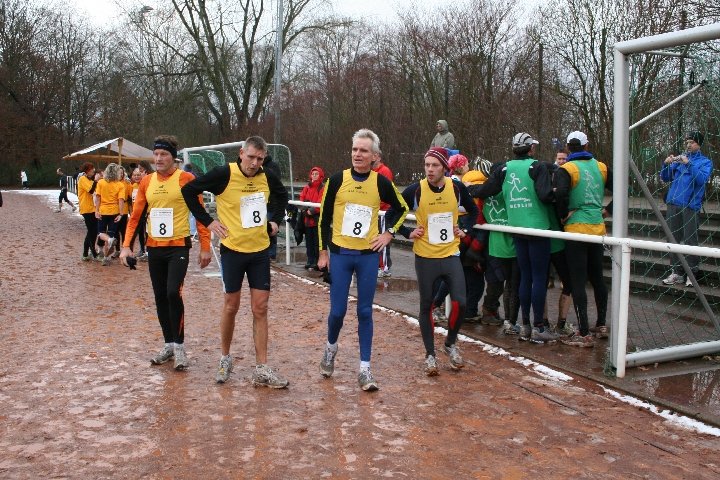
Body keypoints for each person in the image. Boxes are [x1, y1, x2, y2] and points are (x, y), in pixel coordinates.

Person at [182, 136, 289, 388]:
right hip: (233, 250)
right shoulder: (223, 174)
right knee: (231, 305)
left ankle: (261, 368)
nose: (254, 163)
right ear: (241, 153)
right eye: (251, 157)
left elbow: (282, 196)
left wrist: (274, 220)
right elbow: (189, 190)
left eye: (260, 159)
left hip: (260, 250)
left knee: (260, 308)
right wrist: (208, 222)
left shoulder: (267, 176)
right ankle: (225, 357)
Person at [317, 128, 408, 391]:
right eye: (355, 149)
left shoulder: (380, 182)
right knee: (337, 312)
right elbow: (323, 218)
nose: (358, 154)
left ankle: (365, 369)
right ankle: (330, 348)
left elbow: (401, 207)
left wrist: (388, 234)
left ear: (374, 156)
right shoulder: (336, 180)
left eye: (364, 151)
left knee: (365, 311)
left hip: (368, 256)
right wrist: (324, 252)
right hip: (341, 255)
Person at [120, 135, 212, 370]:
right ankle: (168, 344)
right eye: (156, 154)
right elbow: (136, 217)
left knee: (173, 293)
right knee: (160, 296)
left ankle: (180, 347)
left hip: (178, 246)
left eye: (164, 155)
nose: (159, 159)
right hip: (154, 248)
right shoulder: (146, 182)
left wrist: (204, 247)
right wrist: (126, 246)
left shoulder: (186, 179)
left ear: (174, 158)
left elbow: (201, 216)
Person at [467, 132, 558, 343]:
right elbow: (545, 195)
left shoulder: (505, 169)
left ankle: (525, 326)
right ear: (531, 149)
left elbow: (488, 189)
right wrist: (558, 195)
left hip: (516, 230)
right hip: (537, 229)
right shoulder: (537, 167)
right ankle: (539, 327)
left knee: (525, 278)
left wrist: (468, 189)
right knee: (538, 279)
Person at [397, 147, 478, 375]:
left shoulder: (457, 187)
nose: (430, 170)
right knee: (427, 305)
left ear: (444, 167)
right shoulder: (416, 190)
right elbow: (394, 213)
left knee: (461, 302)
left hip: (451, 254)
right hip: (425, 257)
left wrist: (464, 229)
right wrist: (406, 232)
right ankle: (430, 354)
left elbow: (473, 213)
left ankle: (450, 344)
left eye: (434, 165)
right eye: (427, 165)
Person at [554, 131, 612, 347]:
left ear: (568, 148)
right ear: (587, 146)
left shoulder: (566, 169)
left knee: (578, 281)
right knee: (597, 278)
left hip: (576, 229)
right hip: (597, 230)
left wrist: (562, 216)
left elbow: (560, 195)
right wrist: (607, 211)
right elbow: (622, 188)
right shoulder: (602, 167)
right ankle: (601, 324)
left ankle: (584, 331)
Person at [660, 131, 712, 287]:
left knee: (690, 240)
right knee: (673, 239)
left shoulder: (705, 162)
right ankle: (676, 273)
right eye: (687, 142)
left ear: (699, 144)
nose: (689, 145)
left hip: (690, 205)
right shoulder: (679, 159)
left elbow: (702, 179)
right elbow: (665, 177)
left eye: (692, 142)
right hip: (673, 204)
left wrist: (688, 163)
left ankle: (692, 272)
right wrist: (666, 164)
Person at [94, 163, 126, 266]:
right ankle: (107, 257)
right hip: (114, 212)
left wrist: (96, 210)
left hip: (103, 211)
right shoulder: (120, 185)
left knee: (100, 233)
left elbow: (98, 197)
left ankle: (108, 245)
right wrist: (121, 214)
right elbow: (121, 200)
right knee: (111, 234)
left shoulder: (101, 182)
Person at [299, 166, 325, 270]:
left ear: (320, 176)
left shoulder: (322, 188)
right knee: (308, 241)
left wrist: (312, 210)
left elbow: (321, 201)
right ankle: (310, 260)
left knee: (316, 242)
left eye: (316, 174)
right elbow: (302, 198)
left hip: (316, 219)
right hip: (307, 219)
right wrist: (305, 210)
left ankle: (316, 261)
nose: (314, 176)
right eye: (313, 174)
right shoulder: (306, 187)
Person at [373, 152, 395, 277]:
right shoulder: (372, 171)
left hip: (384, 211)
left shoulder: (384, 171)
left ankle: (385, 267)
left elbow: (386, 192)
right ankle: (378, 265)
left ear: (379, 157)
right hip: (376, 210)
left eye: (374, 155)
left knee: (383, 240)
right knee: (376, 239)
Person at [77, 163, 100, 261]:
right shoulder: (83, 179)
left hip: (93, 209)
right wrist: (96, 180)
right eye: (91, 169)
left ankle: (85, 253)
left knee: (92, 232)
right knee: (92, 232)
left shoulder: (89, 180)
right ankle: (93, 253)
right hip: (86, 209)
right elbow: (91, 190)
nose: (93, 171)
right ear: (86, 170)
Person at [262, 154, 282, 261]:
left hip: (271, 204)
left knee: (271, 230)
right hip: (262, 204)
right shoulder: (257, 166)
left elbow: (276, 185)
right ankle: (264, 251)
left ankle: (271, 253)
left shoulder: (273, 166)